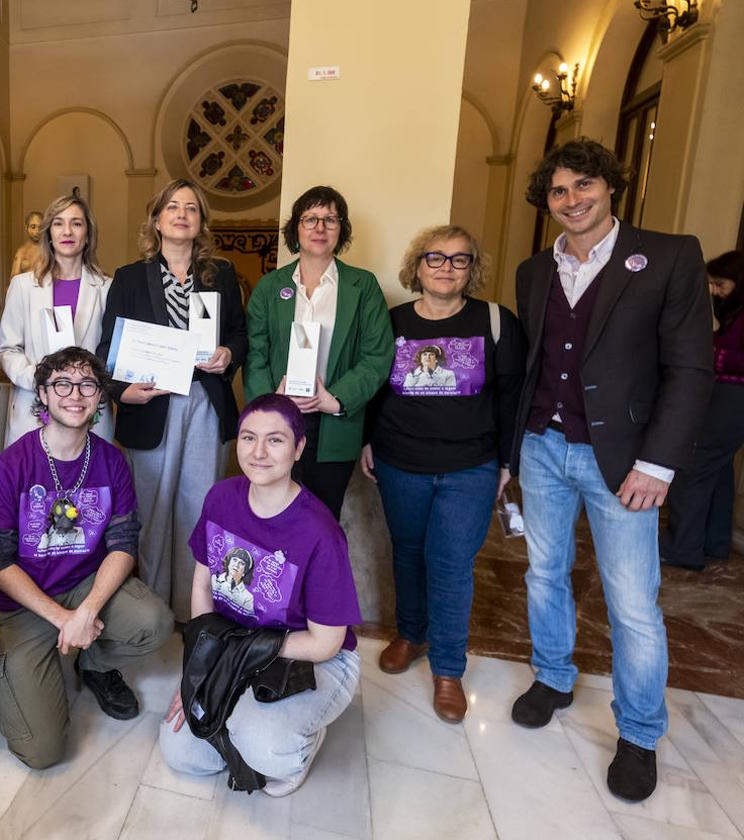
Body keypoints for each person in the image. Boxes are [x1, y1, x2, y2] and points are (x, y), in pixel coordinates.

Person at [509, 138, 713, 802]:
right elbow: (537, 362)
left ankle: (641, 733)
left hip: (624, 460)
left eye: (583, 186)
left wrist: (658, 463)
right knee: (544, 573)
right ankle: (553, 677)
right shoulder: (534, 270)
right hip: (543, 446)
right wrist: (514, 452)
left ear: (611, 187)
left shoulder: (669, 255)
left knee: (631, 604)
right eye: (559, 192)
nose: (572, 201)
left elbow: (690, 368)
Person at [0, 347, 173, 769]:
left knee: (154, 621)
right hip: (21, 605)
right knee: (41, 752)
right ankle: (11, 658)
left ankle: (94, 663)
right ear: (42, 394)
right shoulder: (11, 465)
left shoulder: (111, 460)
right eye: (62, 383)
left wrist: (88, 609)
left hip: (83, 586)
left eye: (87, 384)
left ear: (101, 396)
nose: (75, 394)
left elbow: (123, 541)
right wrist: (63, 618)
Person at [360, 225, 526, 723]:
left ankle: (449, 668)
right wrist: (368, 439)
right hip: (399, 461)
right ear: (418, 266)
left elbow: (513, 397)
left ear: (473, 268)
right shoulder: (392, 322)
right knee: (408, 554)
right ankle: (411, 635)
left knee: (452, 565)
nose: (446, 268)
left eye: (459, 259)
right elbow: (374, 386)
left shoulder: (496, 322)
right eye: (435, 258)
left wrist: (506, 463)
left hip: (469, 466)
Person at [159, 393, 362, 797]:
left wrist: (236, 655)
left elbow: (325, 642)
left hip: (310, 658)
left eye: (276, 440)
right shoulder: (221, 498)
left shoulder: (319, 532)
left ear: (298, 447)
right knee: (184, 753)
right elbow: (202, 586)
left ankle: (301, 743)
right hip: (237, 648)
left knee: (266, 752)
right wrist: (203, 668)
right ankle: (241, 724)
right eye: (249, 438)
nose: (259, 452)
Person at [96, 179, 247, 621]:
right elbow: (109, 346)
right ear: (157, 220)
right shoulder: (128, 278)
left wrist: (228, 353)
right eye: (172, 207)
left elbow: (238, 332)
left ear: (201, 222)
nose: (182, 214)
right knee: (154, 511)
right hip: (153, 405)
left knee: (199, 508)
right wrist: (123, 391)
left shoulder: (220, 273)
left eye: (192, 208)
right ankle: (156, 612)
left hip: (204, 400)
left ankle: (192, 612)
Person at [244, 185, 394, 520]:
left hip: (333, 421)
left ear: (342, 230)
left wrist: (336, 399)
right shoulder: (271, 287)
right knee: (273, 515)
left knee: (323, 520)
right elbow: (255, 353)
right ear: (296, 227)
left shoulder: (362, 286)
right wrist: (270, 401)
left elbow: (377, 355)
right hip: (278, 421)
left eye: (330, 219)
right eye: (310, 219)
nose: (320, 227)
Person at [0, 194, 112, 445]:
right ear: (49, 232)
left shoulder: (106, 288)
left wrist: (87, 383)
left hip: (88, 410)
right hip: (34, 407)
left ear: (88, 234)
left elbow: (113, 353)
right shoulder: (23, 286)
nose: (67, 231)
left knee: (88, 482)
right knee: (34, 482)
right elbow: (7, 349)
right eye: (59, 223)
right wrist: (37, 377)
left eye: (77, 223)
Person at [661, 250, 744, 570]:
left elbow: (728, 354)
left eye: (720, 284)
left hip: (733, 398)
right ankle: (714, 542)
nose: (714, 291)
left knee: (694, 467)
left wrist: (711, 354)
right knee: (719, 471)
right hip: (726, 396)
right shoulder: (735, 312)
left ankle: (682, 547)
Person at [8, 210, 43, 278]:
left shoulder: (49, 250)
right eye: (33, 227)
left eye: (40, 227)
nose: (37, 231)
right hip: (24, 288)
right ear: (26, 227)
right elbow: (14, 278)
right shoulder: (21, 252)